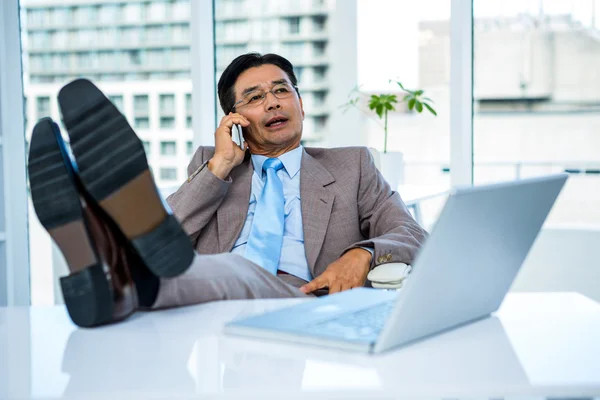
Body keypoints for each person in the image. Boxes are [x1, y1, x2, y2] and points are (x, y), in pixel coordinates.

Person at [27, 54, 425, 329]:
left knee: (227, 270)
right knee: (179, 267)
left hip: (303, 299)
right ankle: (118, 280)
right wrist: (219, 166)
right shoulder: (212, 165)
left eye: (282, 90)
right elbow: (168, 241)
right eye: (254, 98)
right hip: (209, 299)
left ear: (301, 104)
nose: (272, 102)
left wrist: (363, 253)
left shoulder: (351, 165)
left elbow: (412, 234)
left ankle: (109, 247)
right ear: (234, 121)